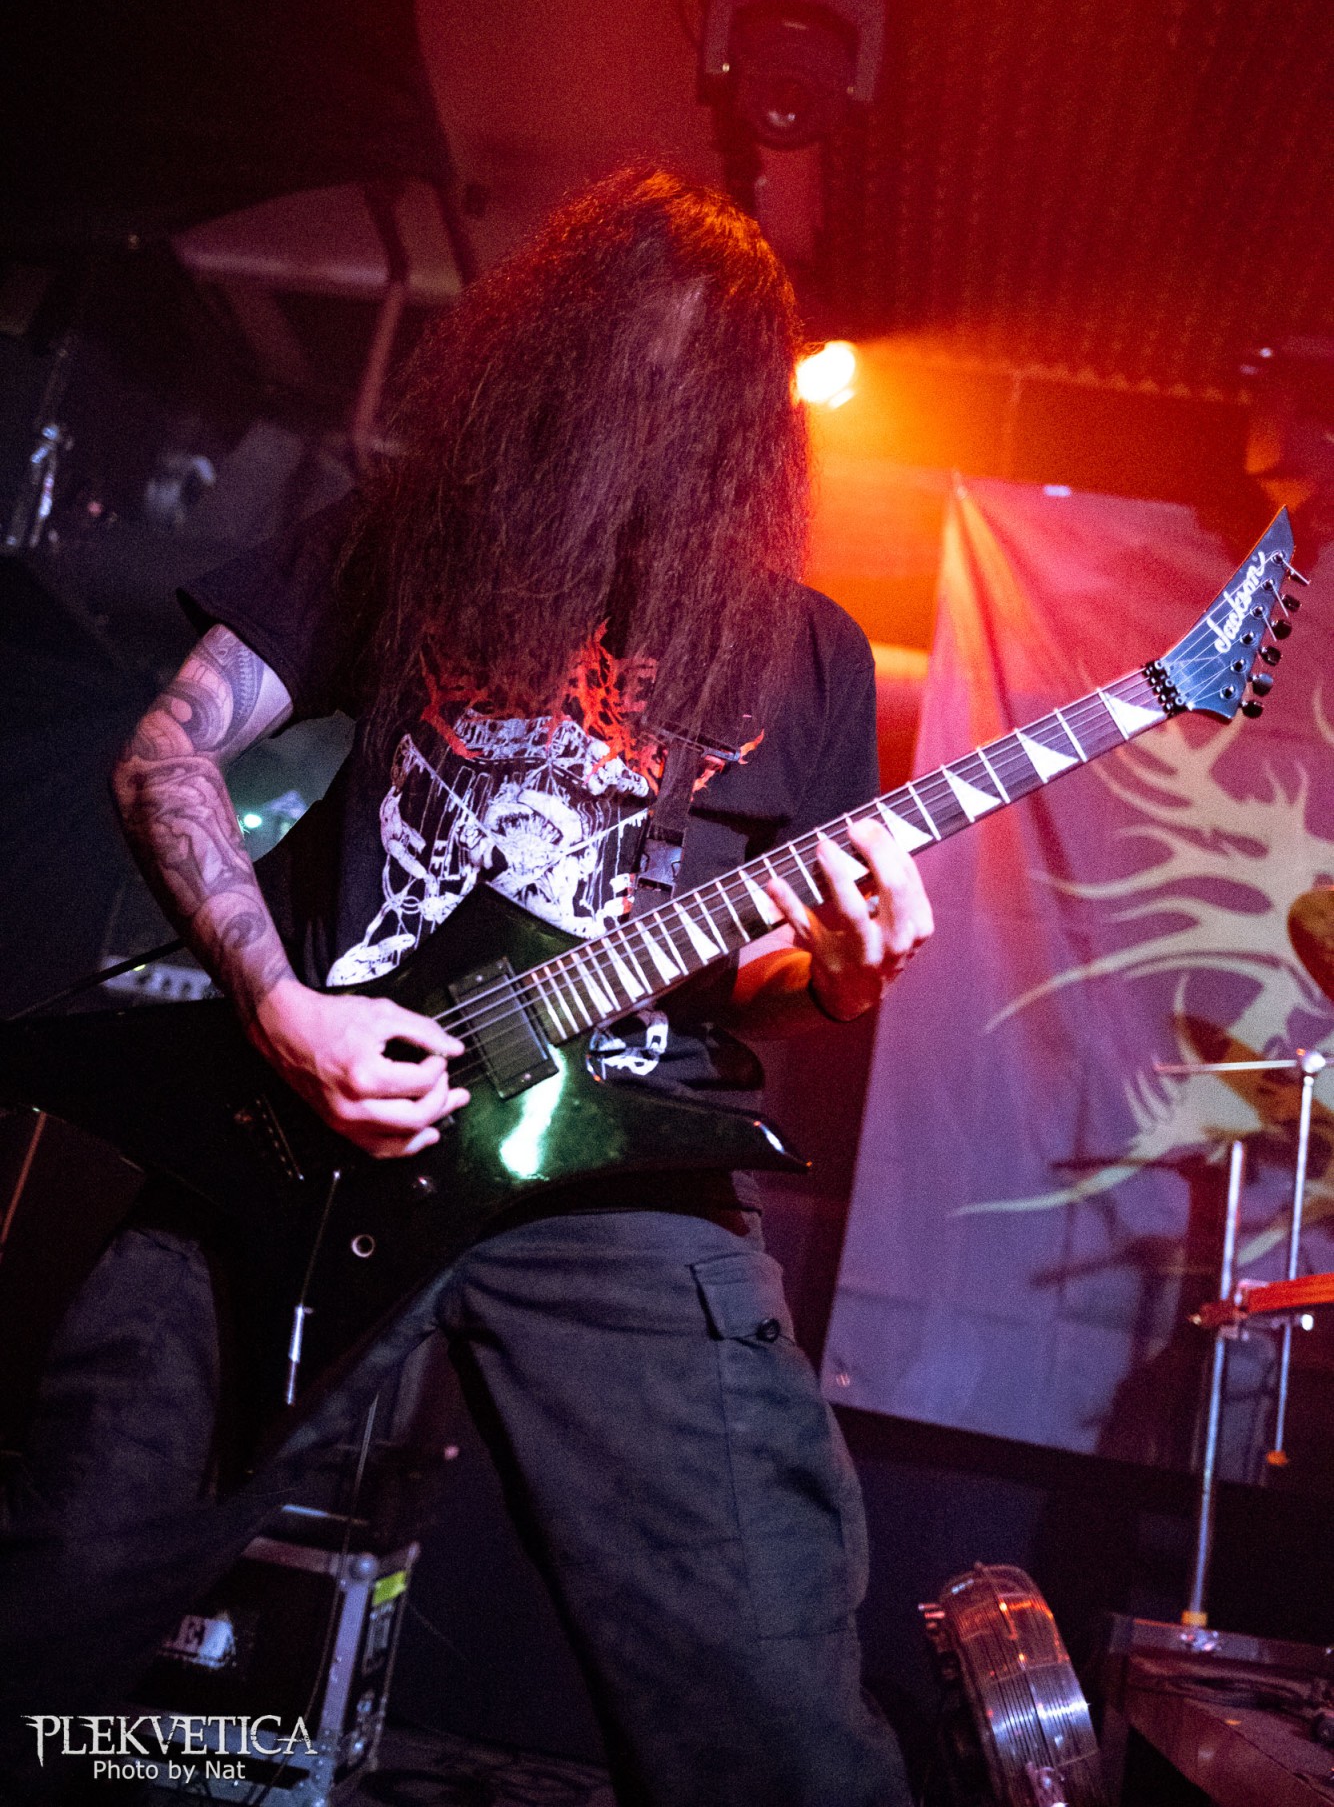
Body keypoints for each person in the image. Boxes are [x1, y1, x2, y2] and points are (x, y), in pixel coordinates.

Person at [0, 168, 932, 1805]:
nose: (641, 410)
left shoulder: (806, 652)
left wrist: (839, 975)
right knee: (43, 1615)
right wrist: (284, 1008)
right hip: (311, 1138)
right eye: (612, 361)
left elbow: (762, 983)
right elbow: (167, 757)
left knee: (767, 1724)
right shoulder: (404, 541)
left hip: (622, 1182)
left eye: (687, 381)